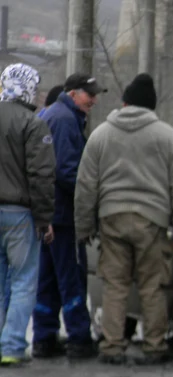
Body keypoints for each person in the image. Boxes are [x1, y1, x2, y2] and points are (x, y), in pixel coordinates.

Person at [74, 74, 173, 365]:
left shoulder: (101, 134)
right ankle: (155, 346)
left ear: (124, 103)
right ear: (151, 108)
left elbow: (86, 184)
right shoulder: (167, 136)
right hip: (151, 220)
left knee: (115, 285)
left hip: (111, 219)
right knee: (152, 285)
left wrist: (84, 227)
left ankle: (112, 346)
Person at [32, 73, 107, 360]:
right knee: (72, 277)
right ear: (73, 93)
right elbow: (67, 171)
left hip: (51, 212)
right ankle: (78, 338)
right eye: (90, 94)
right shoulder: (64, 120)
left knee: (48, 280)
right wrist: (91, 194)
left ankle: (44, 337)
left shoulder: (53, 114)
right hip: (64, 216)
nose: (94, 100)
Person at [0, 63, 56, 366]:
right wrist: (44, 218)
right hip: (20, 215)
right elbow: (42, 175)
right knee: (23, 281)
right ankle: (11, 347)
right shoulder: (33, 125)